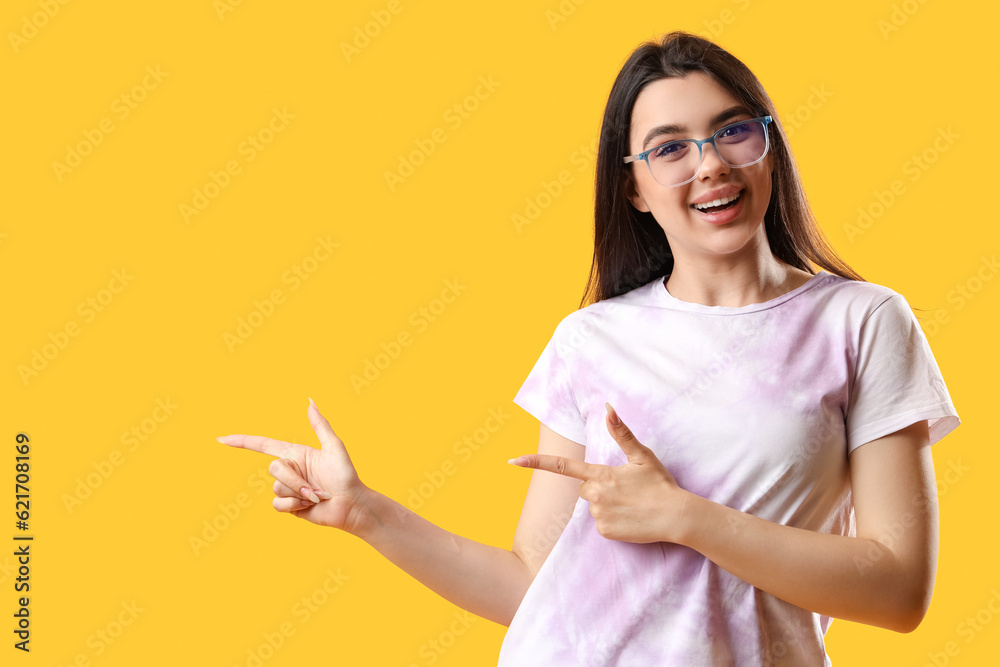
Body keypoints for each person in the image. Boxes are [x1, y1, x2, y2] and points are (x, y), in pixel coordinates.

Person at [218, 31, 961, 666]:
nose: (710, 164)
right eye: (669, 148)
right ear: (634, 187)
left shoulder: (862, 322)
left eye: (733, 130)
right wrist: (364, 513)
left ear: (769, 146)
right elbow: (531, 582)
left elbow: (898, 589)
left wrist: (684, 516)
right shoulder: (591, 340)